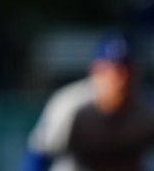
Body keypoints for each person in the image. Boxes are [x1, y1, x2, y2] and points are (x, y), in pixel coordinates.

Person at [24, 33, 154, 171]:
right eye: (113, 71)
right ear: (95, 72)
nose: (121, 80)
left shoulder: (148, 108)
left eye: (128, 70)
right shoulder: (71, 104)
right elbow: (39, 154)